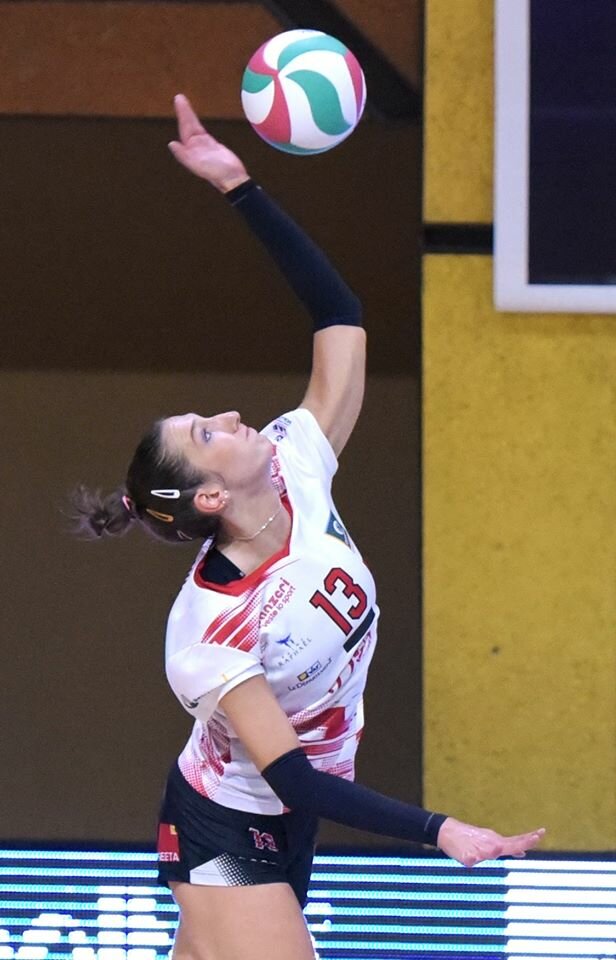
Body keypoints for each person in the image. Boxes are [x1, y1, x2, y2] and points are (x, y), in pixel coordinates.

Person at [71, 95, 545, 960]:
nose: (228, 414)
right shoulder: (210, 627)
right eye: (208, 434)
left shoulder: (298, 460)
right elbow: (286, 771)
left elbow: (340, 314)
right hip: (223, 826)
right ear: (209, 498)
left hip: (290, 821)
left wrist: (240, 186)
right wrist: (441, 831)